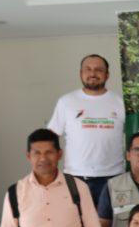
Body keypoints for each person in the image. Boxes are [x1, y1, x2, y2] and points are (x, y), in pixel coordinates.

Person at [47, 54, 125, 202]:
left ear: (107, 75)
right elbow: (51, 137)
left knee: (111, 224)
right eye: (87, 69)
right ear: (81, 73)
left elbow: (135, 137)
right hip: (76, 178)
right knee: (78, 224)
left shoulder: (120, 103)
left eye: (98, 70)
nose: (93, 73)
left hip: (113, 177)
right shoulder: (66, 102)